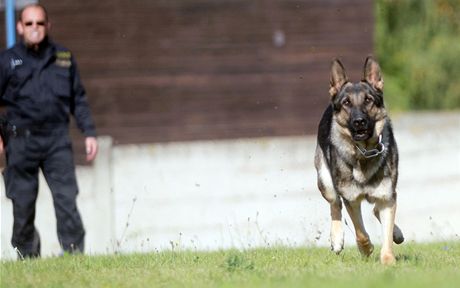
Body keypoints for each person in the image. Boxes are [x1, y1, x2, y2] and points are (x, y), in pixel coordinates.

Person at [0, 4, 98, 258]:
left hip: (57, 141)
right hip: (20, 143)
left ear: (48, 26)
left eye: (40, 23)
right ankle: (28, 258)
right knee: (22, 205)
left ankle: (75, 256)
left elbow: (79, 98)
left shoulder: (63, 57)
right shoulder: (7, 60)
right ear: (20, 27)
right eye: (29, 23)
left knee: (67, 200)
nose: (35, 28)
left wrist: (89, 132)